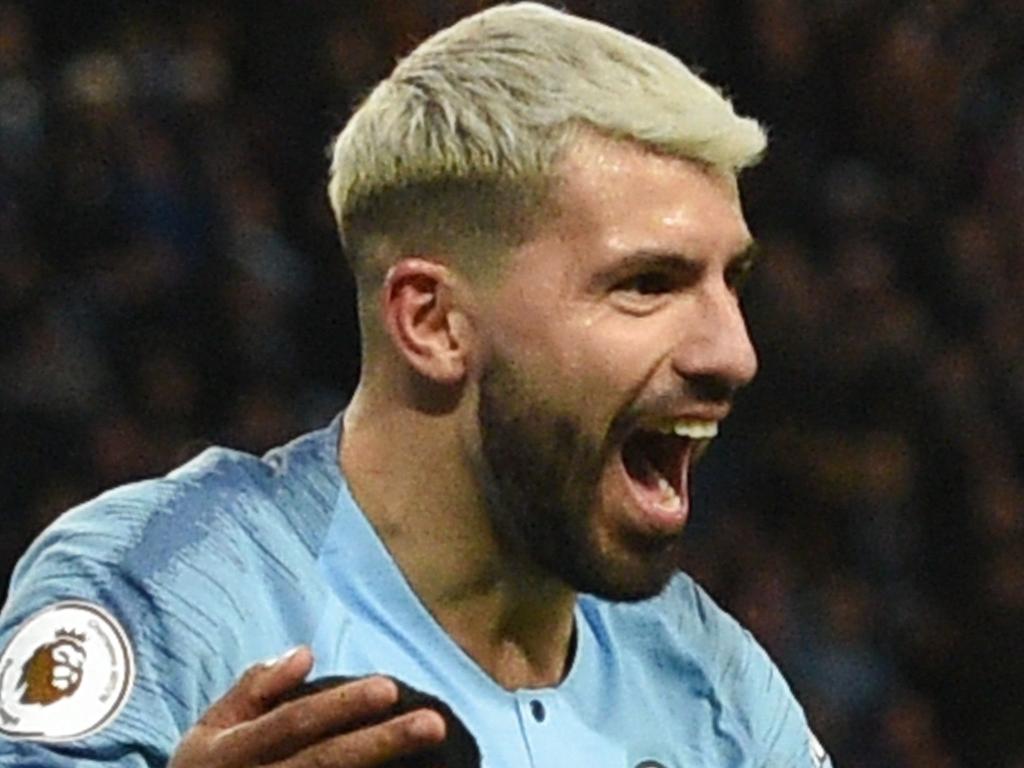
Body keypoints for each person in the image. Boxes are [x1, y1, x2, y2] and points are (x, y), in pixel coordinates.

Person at [0, 4, 832, 766]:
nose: (733, 352)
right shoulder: (167, 591)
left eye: (734, 282)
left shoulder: (712, 688)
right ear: (432, 323)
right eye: (649, 283)